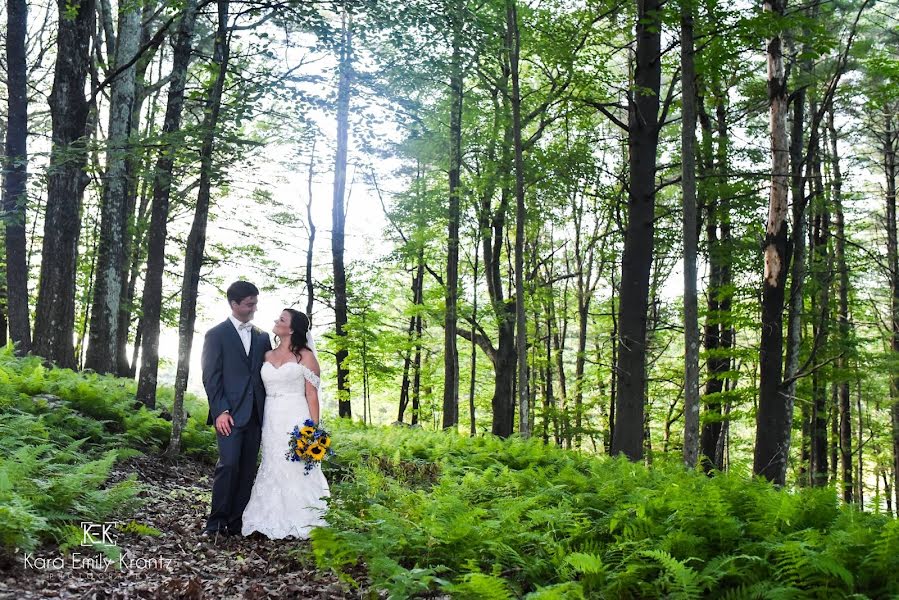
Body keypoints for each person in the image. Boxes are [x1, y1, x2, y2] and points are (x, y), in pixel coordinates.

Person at [241, 308, 330, 539]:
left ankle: (302, 517)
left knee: (296, 465)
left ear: (291, 328)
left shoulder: (306, 356)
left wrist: (313, 430)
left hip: (296, 415)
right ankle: (267, 516)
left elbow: (312, 395)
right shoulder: (266, 355)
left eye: (281, 319)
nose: (275, 320)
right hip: (271, 416)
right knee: (273, 462)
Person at [201, 281, 272, 538]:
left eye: (255, 302)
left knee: (247, 469)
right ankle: (216, 522)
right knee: (228, 465)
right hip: (228, 415)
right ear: (234, 304)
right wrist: (220, 411)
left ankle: (236, 521)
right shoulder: (215, 335)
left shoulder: (263, 337)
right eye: (249, 303)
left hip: (255, 413)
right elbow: (211, 377)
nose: (254, 307)